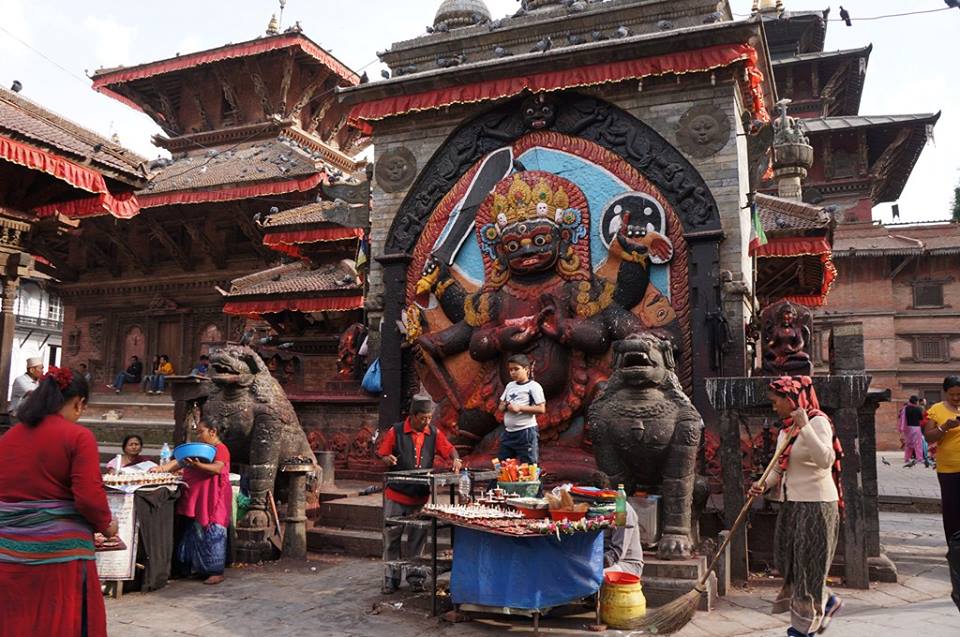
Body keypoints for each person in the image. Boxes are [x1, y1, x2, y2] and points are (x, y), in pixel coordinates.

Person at [0, 367, 118, 637]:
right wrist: (108, 526)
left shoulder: (8, 438)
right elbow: (89, 498)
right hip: (59, 560)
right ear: (78, 402)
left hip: (8, 554)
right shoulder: (78, 436)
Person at [749, 376, 844, 637]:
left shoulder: (818, 422)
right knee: (788, 561)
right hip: (791, 504)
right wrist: (763, 485)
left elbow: (825, 459)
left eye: (775, 401)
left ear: (791, 400)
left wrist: (806, 427)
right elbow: (779, 468)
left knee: (808, 566)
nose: (773, 406)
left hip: (817, 505)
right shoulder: (785, 430)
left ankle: (803, 628)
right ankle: (828, 600)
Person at [376, 394, 461, 594]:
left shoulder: (433, 433)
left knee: (417, 539)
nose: (427, 422)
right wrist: (387, 458)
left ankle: (415, 577)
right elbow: (382, 453)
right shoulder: (395, 431)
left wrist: (455, 459)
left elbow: (449, 449)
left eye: (429, 418)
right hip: (396, 494)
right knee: (392, 538)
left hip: (420, 496)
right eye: (423, 418)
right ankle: (391, 578)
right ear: (413, 416)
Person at [151, 419, 231, 585]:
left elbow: (217, 468)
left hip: (214, 498)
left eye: (201, 432)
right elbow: (179, 461)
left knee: (213, 532)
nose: (199, 435)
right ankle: (199, 568)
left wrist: (197, 466)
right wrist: (160, 469)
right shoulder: (200, 449)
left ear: (213, 431)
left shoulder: (220, 449)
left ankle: (215, 571)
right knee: (196, 533)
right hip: (197, 497)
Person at [922, 375, 960, 612]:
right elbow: (929, 437)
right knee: (953, 510)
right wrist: (945, 427)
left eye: (959, 394)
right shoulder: (936, 410)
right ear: (945, 392)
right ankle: (954, 552)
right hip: (949, 468)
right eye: (953, 394)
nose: (956, 398)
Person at [497, 354, 545, 464]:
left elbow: (541, 409)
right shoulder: (510, 385)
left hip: (526, 432)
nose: (513, 372)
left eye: (516, 369)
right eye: (510, 370)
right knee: (502, 466)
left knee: (528, 466)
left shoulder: (534, 386)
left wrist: (520, 408)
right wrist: (504, 407)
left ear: (526, 369)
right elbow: (500, 405)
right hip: (508, 433)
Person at [603, 500, 644, 577]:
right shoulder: (594, 507)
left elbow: (616, 554)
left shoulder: (621, 509)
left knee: (591, 576)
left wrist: (594, 563)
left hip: (626, 564)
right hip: (603, 560)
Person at [900, 396, 929, 468]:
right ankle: (919, 458)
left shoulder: (905, 409)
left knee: (908, 444)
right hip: (916, 427)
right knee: (918, 444)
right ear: (916, 401)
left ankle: (907, 458)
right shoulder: (918, 409)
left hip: (908, 428)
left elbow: (902, 418)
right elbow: (921, 418)